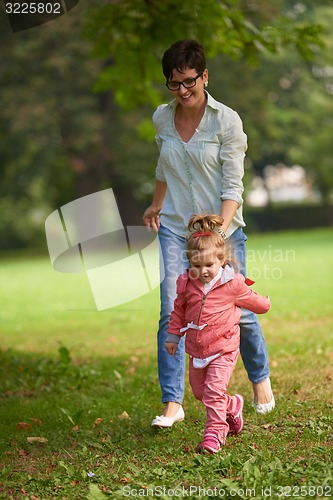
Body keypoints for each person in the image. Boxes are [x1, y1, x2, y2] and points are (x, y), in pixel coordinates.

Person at [143, 39, 275, 428]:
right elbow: (164, 167)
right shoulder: (162, 118)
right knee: (172, 309)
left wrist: (220, 224)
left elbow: (233, 185)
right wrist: (156, 203)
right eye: (174, 84)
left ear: (204, 76)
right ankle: (172, 402)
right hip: (174, 227)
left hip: (224, 231)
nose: (182, 91)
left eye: (189, 82)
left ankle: (260, 379)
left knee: (241, 312)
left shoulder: (226, 121)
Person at [164, 214, 271, 453]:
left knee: (213, 391)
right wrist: (173, 336)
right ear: (189, 263)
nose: (202, 271)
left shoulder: (233, 284)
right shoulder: (186, 284)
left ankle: (215, 433)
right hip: (198, 349)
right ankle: (232, 405)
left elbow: (254, 302)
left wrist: (265, 304)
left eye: (208, 265)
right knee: (200, 392)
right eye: (196, 266)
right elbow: (178, 311)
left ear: (221, 260)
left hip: (224, 348)